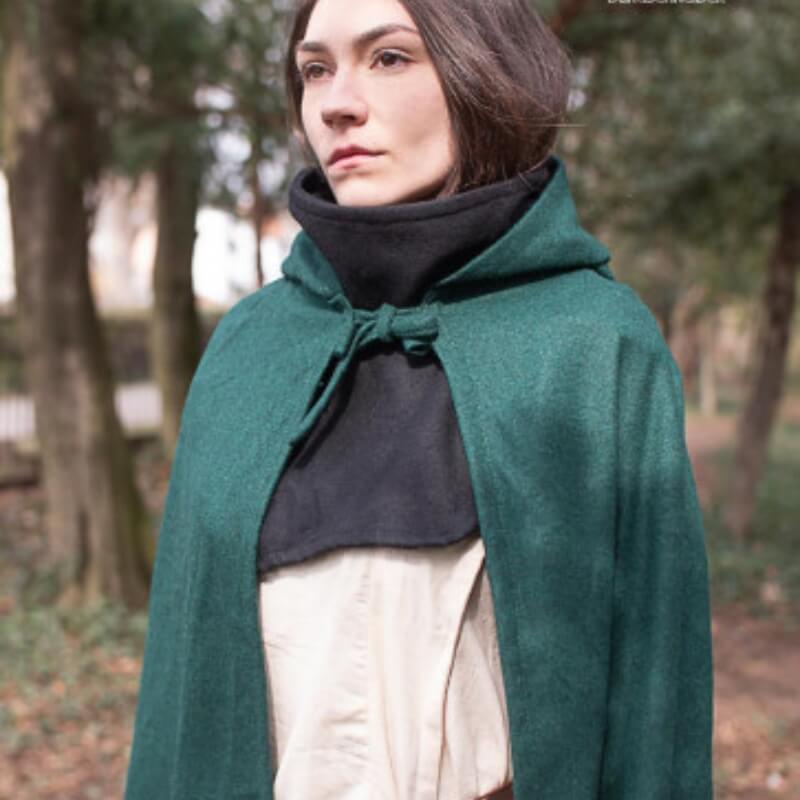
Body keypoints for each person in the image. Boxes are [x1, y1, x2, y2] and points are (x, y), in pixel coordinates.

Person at [124, 0, 714, 799]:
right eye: (315, 69)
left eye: (390, 58)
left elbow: (656, 696)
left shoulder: (594, 344)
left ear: (485, 76)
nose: (336, 103)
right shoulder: (250, 346)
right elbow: (182, 693)